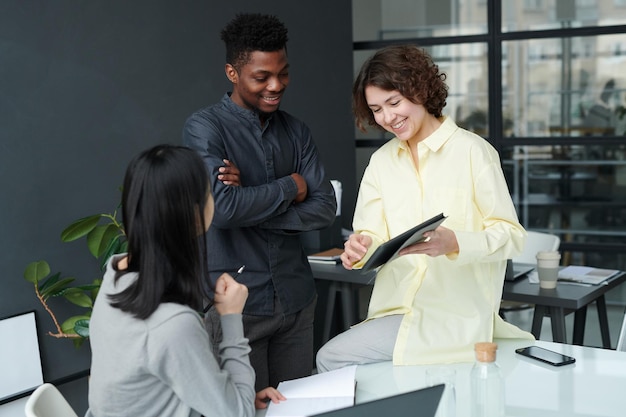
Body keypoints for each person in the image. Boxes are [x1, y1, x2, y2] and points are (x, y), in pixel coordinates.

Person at [316, 45, 533, 372]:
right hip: (395, 310)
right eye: (376, 109)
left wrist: (456, 243)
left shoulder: (473, 152)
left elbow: (511, 236)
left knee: (330, 358)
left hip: (455, 314)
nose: (387, 118)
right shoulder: (381, 162)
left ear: (420, 90)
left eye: (394, 102)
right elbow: (371, 234)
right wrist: (359, 247)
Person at [183, 13, 337, 390]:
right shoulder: (204, 128)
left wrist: (248, 198)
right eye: (261, 77)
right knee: (242, 411)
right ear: (232, 73)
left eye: (283, 73)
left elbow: (324, 206)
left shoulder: (297, 131)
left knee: (297, 409)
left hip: (296, 301)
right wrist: (289, 186)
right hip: (237, 308)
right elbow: (222, 210)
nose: (275, 85)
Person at [86, 145, 284, 417]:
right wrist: (231, 317)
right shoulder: (172, 323)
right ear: (194, 214)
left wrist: (235, 396)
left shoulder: (117, 272)